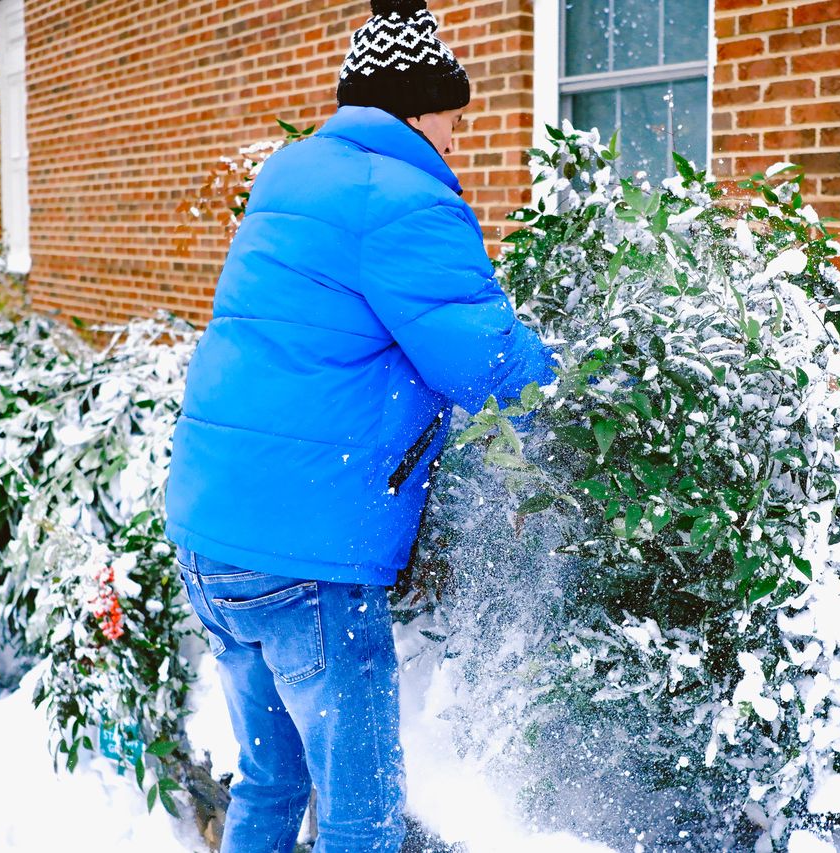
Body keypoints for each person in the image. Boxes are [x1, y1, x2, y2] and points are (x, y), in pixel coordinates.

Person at [163, 1, 555, 850]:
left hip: (212, 536)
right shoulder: (405, 201)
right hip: (305, 559)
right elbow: (486, 364)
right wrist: (580, 381)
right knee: (362, 814)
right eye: (453, 111)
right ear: (414, 109)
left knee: (270, 779)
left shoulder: (291, 174)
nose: (460, 131)